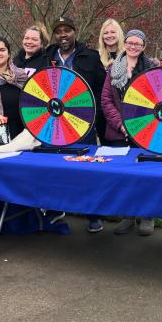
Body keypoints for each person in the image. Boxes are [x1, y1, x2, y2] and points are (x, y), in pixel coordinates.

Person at [45, 16, 107, 232]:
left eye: (67, 30)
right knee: (55, 169)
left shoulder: (90, 56)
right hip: (54, 123)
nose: (63, 35)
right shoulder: (47, 56)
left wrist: (93, 114)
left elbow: (101, 88)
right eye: (59, 31)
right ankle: (54, 210)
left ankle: (93, 215)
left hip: (83, 124)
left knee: (85, 169)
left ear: (75, 32)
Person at [101, 29, 158, 236]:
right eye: (130, 43)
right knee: (123, 176)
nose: (133, 46)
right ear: (124, 44)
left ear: (143, 47)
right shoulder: (112, 69)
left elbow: (156, 100)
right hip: (118, 132)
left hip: (145, 132)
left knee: (144, 175)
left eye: (138, 44)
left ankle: (147, 215)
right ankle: (127, 215)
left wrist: (137, 126)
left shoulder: (151, 69)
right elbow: (106, 101)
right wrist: (121, 124)